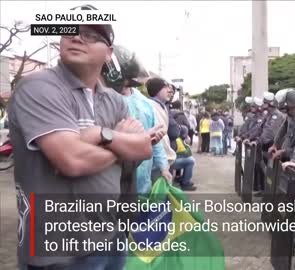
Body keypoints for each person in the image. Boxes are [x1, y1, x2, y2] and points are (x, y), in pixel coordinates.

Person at [8, 11, 154, 269]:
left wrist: (100, 135)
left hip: (110, 234)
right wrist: (119, 145)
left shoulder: (114, 100)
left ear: (108, 53)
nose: (76, 37)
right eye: (70, 32)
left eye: (90, 35)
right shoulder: (39, 88)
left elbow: (143, 149)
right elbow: (72, 160)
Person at [103, 44, 171, 193]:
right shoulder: (99, 101)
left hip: (142, 182)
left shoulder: (145, 104)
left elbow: (154, 140)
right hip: (113, 183)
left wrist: (164, 167)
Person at [249, 92, 286, 195]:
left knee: (272, 171)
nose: (263, 104)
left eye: (265, 103)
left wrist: (258, 140)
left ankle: (272, 193)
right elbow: (259, 128)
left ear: (270, 104)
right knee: (266, 170)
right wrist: (250, 138)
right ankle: (266, 190)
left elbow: (270, 132)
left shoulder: (276, 115)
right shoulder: (268, 115)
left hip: (272, 147)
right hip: (265, 147)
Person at [173, 125, 197, 191]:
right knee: (191, 161)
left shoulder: (178, 139)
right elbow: (186, 153)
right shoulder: (178, 140)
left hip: (172, 159)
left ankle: (181, 178)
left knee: (188, 159)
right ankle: (185, 183)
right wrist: (187, 144)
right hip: (171, 162)